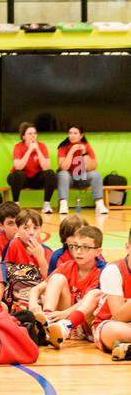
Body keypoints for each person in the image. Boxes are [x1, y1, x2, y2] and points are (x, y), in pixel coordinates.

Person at [30, 224, 105, 349]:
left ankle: (66, 325)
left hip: (86, 322)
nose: (79, 251)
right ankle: (47, 321)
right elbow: (36, 288)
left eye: (85, 247)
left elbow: (87, 301)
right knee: (57, 278)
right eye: (75, 246)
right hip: (62, 320)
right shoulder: (68, 266)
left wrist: (65, 314)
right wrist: (33, 303)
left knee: (94, 294)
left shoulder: (102, 270)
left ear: (98, 251)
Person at [95, 227, 131, 360]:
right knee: (112, 331)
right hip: (110, 324)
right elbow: (118, 316)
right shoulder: (113, 270)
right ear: (127, 247)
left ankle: (126, 349)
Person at [56, 125, 109, 215]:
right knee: (63, 174)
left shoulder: (86, 146)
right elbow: (64, 167)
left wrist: (84, 154)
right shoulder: (63, 147)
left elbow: (92, 167)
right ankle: (63, 204)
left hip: (82, 178)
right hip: (69, 179)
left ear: (81, 135)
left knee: (96, 174)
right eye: (70, 133)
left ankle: (99, 204)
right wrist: (71, 152)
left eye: (75, 133)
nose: (72, 135)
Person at [8, 122, 57, 212]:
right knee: (18, 174)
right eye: (30, 134)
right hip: (20, 180)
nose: (33, 136)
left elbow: (46, 167)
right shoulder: (18, 146)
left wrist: (37, 149)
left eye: (35, 133)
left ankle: (46, 204)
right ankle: (16, 204)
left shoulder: (41, 146)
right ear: (23, 137)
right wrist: (30, 150)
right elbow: (18, 166)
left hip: (35, 179)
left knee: (50, 173)